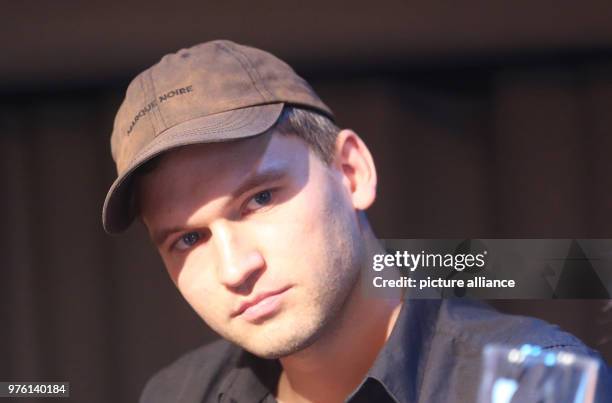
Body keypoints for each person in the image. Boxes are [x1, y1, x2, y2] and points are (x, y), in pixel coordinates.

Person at [102, 40, 610, 403]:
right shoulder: (178, 393)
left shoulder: (533, 383)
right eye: (189, 238)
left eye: (259, 200)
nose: (236, 268)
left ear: (351, 172)